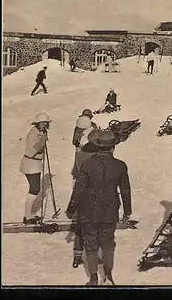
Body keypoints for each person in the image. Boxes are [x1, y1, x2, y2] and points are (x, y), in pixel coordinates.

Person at [66, 129, 132, 286]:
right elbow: (126, 190)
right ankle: (108, 273)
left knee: (90, 242)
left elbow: (79, 189)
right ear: (113, 147)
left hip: (88, 209)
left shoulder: (87, 164)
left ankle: (93, 277)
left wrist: (71, 208)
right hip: (110, 209)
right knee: (108, 241)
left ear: (97, 146)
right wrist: (127, 211)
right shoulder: (120, 166)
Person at [70, 115, 98, 268]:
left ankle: (78, 255)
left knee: (82, 223)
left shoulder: (83, 144)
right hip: (94, 186)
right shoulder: (93, 135)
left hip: (84, 185)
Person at [19, 113, 51, 224]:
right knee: (34, 189)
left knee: (35, 189)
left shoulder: (39, 132)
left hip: (35, 164)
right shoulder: (33, 134)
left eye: (46, 123)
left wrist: (43, 138)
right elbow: (30, 152)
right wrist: (42, 141)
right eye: (42, 123)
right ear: (37, 123)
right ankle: (27, 216)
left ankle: (30, 214)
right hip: (30, 164)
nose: (44, 125)